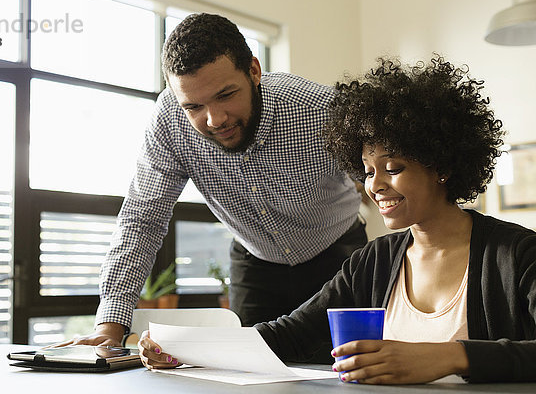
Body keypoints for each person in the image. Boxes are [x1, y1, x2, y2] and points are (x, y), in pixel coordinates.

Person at [137, 55, 536, 384]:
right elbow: (289, 334)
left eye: (393, 168)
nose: (374, 185)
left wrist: (453, 357)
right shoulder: (373, 262)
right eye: (366, 169)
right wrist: (180, 349)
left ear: (441, 166)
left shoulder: (517, 254)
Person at [57, 13, 366, 348]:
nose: (215, 119)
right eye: (194, 106)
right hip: (256, 261)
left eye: (226, 94)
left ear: (254, 70)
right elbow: (142, 219)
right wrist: (109, 326)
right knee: (251, 369)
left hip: (340, 255)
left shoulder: (320, 109)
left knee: (352, 367)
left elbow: (389, 184)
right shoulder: (169, 123)